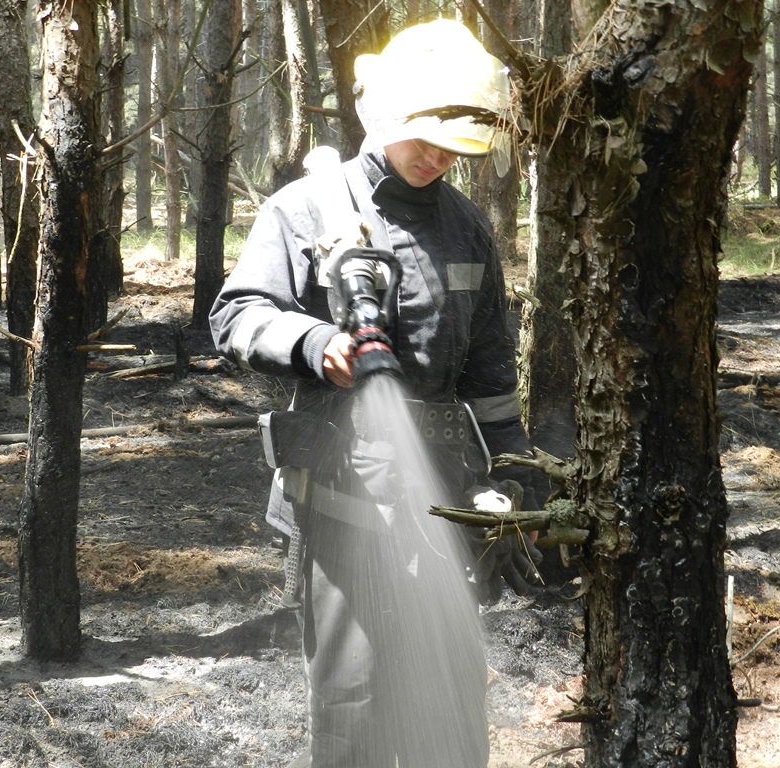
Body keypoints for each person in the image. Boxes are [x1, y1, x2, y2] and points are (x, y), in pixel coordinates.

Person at [210, 19, 542, 768]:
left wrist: (515, 470)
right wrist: (314, 343)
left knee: (453, 710)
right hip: (343, 507)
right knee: (356, 710)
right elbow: (234, 316)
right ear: (383, 114)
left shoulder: (467, 228)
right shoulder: (307, 210)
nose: (435, 157)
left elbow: (490, 369)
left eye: (452, 144)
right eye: (423, 137)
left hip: (443, 504)